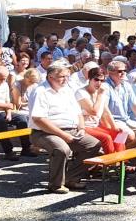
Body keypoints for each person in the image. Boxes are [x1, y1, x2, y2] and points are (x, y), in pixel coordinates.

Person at [29, 65, 101, 193]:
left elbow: (78, 112)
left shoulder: (67, 89)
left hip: (71, 130)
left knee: (93, 145)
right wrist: (63, 135)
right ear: (50, 77)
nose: (66, 79)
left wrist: (82, 128)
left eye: (67, 76)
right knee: (62, 149)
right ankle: (55, 184)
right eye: (62, 77)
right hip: (44, 132)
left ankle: (71, 178)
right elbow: (39, 119)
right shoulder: (40, 91)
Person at [76, 67, 130, 159]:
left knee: (121, 134)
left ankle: (122, 162)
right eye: (96, 80)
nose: (99, 83)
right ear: (89, 79)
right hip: (83, 126)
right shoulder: (81, 92)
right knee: (107, 137)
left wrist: (114, 127)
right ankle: (112, 163)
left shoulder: (100, 92)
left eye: (102, 80)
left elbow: (106, 112)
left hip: (95, 126)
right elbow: (94, 111)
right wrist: (100, 95)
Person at [105, 60, 136, 143]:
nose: (123, 73)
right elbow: (105, 110)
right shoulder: (105, 86)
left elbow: (135, 105)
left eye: (124, 71)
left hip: (126, 120)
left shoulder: (126, 85)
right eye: (120, 71)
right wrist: (113, 125)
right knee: (130, 136)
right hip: (113, 121)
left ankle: (126, 152)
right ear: (110, 73)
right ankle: (116, 152)